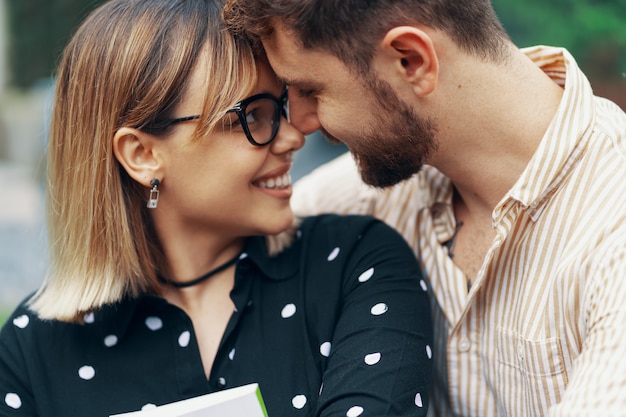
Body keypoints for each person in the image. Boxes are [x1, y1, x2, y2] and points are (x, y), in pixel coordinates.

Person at [0, 1, 434, 416]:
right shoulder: (30, 350)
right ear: (142, 154)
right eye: (251, 116)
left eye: (279, 106)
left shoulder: (355, 264)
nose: (292, 138)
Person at [223, 1, 626, 416]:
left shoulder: (612, 227)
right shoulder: (357, 198)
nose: (301, 122)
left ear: (411, 60)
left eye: (310, 90)